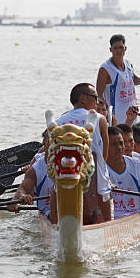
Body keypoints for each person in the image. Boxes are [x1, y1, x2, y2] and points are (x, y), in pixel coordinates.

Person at [52, 83, 112, 224]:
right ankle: (106, 223)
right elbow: (104, 156)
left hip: (64, 175)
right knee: (103, 183)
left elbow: (51, 154)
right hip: (94, 178)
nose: (97, 102)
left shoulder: (59, 121)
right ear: (83, 98)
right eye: (95, 97)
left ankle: (57, 224)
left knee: (54, 186)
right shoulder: (99, 118)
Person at [96, 34, 140, 126]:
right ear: (110, 49)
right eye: (115, 48)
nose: (118, 51)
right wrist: (105, 115)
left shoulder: (128, 63)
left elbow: (134, 79)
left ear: (125, 48)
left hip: (132, 115)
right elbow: (99, 96)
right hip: (116, 119)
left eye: (121, 47)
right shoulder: (105, 69)